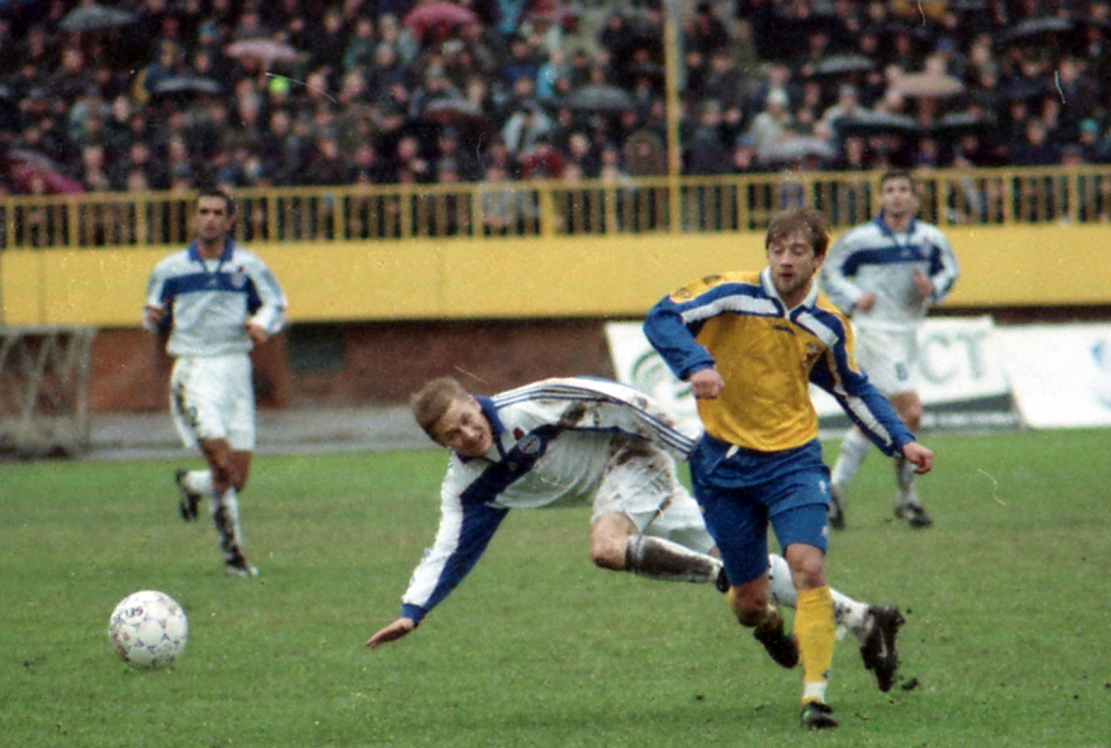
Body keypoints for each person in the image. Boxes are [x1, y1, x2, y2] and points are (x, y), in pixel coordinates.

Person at [365, 376, 905, 694]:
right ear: (441, 443)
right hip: (624, 489)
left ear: (473, 401)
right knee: (751, 585)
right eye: (453, 434)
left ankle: (722, 575)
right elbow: (450, 546)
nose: (469, 433)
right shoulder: (468, 485)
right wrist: (414, 610)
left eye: (467, 418)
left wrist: (689, 447)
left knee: (606, 548)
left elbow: (614, 398)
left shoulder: (527, 405)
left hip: (633, 456)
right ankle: (865, 619)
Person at [642, 207, 934, 730]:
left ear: (818, 259)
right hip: (724, 466)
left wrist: (901, 441)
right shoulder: (729, 292)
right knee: (750, 604)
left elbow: (853, 388)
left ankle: (814, 699)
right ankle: (773, 627)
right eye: (777, 249)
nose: (784, 260)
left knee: (807, 566)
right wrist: (696, 364)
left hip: (793, 462)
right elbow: (661, 317)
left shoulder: (827, 323)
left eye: (798, 251)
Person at [142, 189, 287, 577]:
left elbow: (276, 303)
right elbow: (152, 311)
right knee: (222, 468)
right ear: (194, 218)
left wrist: (261, 324)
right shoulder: (171, 268)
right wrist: (153, 317)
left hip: (236, 371)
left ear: (230, 220)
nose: (209, 218)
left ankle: (191, 484)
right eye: (203, 211)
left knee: (237, 478)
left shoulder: (248, 265)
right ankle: (234, 559)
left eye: (217, 212)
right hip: (195, 370)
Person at [819, 170, 959, 529]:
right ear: (880, 198)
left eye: (903, 190)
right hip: (875, 334)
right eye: (890, 190)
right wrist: (854, 297)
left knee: (880, 417)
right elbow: (829, 271)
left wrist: (933, 287)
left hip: (908, 334)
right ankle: (906, 497)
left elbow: (950, 271)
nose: (897, 196)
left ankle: (835, 488)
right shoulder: (862, 239)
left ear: (915, 197)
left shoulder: (930, 239)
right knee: (910, 411)